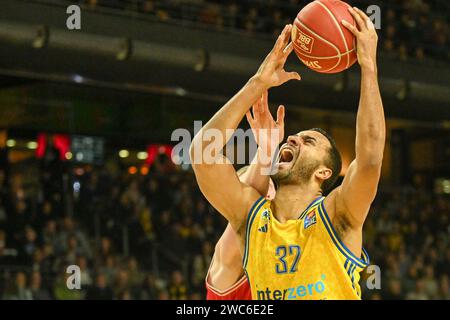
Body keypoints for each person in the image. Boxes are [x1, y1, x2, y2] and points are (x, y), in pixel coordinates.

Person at [191, 7, 384, 300]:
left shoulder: (338, 213)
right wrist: (257, 84)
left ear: (324, 172)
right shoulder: (251, 218)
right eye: (294, 137)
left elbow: (370, 159)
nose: (292, 138)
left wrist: (368, 66)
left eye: (308, 141)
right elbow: (202, 156)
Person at [205, 94, 279, 299]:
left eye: (271, 188)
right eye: (263, 191)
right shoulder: (228, 253)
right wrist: (266, 150)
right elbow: (247, 210)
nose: (268, 194)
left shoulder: (284, 247)